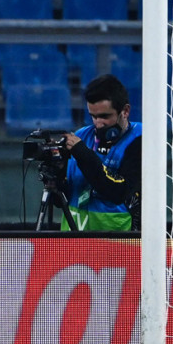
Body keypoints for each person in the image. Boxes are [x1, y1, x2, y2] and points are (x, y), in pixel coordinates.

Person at [62, 73, 142, 231]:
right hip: (73, 239)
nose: (98, 123)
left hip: (118, 243)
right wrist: (57, 175)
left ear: (125, 111)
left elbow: (119, 192)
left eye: (105, 116)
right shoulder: (81, 136)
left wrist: (83, 154)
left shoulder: (140, 140)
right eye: (93, 116)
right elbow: (63, 198)